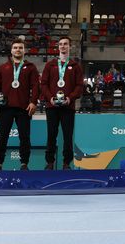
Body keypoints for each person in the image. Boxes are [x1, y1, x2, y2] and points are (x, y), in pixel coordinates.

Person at [0, 39, 40, 170]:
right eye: (15, 47)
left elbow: (36, 86)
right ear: (11, 50)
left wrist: (33, 102)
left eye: (20, 47)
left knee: (24, 137)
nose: (17, 50)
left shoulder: (31, 67)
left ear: (24, 50)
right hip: (5, 107)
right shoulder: (3, 67)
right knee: (2, 137)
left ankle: (24, 163)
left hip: (23, 108)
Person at [41, 36, 84, 170]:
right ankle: (50, 162)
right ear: (58, 47)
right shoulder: (50, 65)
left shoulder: (75, 66)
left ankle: (67, 163)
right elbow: (43, 84)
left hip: (68, 107)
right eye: (60, 44)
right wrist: (50, 98)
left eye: (65, 44)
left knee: (67, 135)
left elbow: (79, 86)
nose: (63, 46)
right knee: (51, 134)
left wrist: (70, 98)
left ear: (70, 46)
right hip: (51, 106)